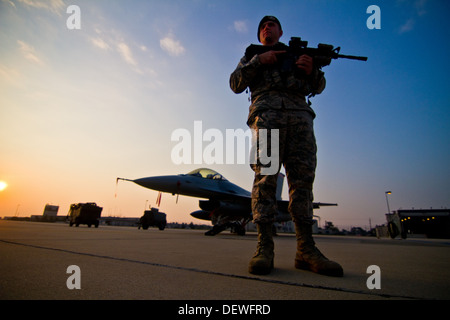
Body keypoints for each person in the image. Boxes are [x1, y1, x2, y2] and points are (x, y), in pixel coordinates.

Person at [229, 16, 343, 277]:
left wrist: (311, 69)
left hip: (300, 119)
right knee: (266, 179)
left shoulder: (301, 55)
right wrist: (260, 61)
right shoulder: (252, 53)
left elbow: (319, 86)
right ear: (260, 35)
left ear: (281, 31)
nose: (267, 27)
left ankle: (306, 250)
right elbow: (235, 83)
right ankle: (264, 248)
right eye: (263, 26)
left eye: (272, 24)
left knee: (302, 183)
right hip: (267, 116)